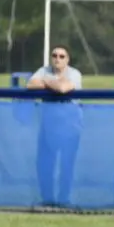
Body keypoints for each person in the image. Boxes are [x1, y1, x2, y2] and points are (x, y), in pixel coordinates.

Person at [26, 45, 84, 206]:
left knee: (67, 166)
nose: (57, 59)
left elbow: (64, 88)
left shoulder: (74, 74)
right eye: (54, 55)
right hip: (48, 128)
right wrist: (51, 81)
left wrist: (45, 83)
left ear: (67, 59)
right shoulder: (44, 70)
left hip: (70, 128)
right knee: (44, 165)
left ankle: (64, 200)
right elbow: (30, 84)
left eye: (62, 56)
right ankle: (47, 200)